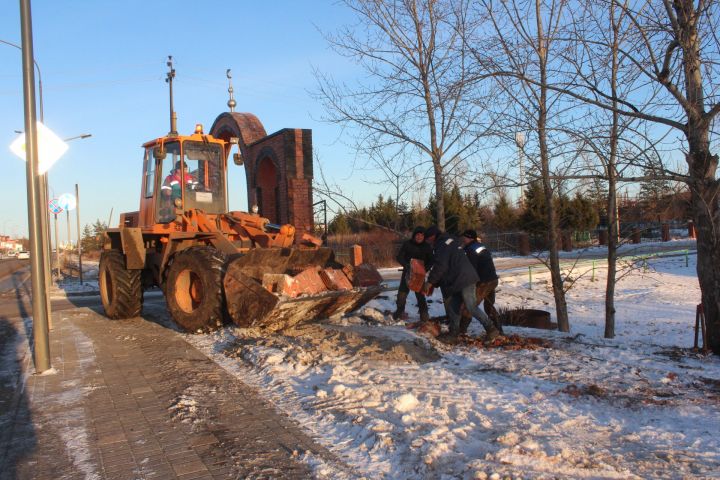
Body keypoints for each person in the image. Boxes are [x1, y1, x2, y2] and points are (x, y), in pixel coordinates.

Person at [422, 225, 502, 345]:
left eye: (428, 240)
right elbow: (446, 266)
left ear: (432, 236)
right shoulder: (448, 241)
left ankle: (491, 329)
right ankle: (454, 334)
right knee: (453, 308)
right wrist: (436, 282)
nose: (428, 243)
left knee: (471, 307)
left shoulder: (442, 244)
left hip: (465, 279)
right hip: (457, 280)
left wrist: (430, 282)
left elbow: (441, 265)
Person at [459, 229, 501, 335]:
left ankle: (461, 331)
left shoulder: (471, 250)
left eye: (464, 237)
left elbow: (471, 269)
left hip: (484, 282)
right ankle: (499, 331)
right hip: (492, 280)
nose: (463, 239)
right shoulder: (479, 246)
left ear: (469, 238)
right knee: (489, 306)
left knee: (470, 307)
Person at [393, 226, 433, 323]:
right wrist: (407, 266)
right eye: (417, 235)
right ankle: (399, 313)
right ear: (414, 235)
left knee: (420, 296)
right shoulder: (407, 244)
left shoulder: (427, 247)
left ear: (424, 237)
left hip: (420, 275)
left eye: (422, 235)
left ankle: (424, 316)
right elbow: (399, 257)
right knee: (401, 295)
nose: (419, 237)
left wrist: (424, 269)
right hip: (407, 272)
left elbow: (431, 260)